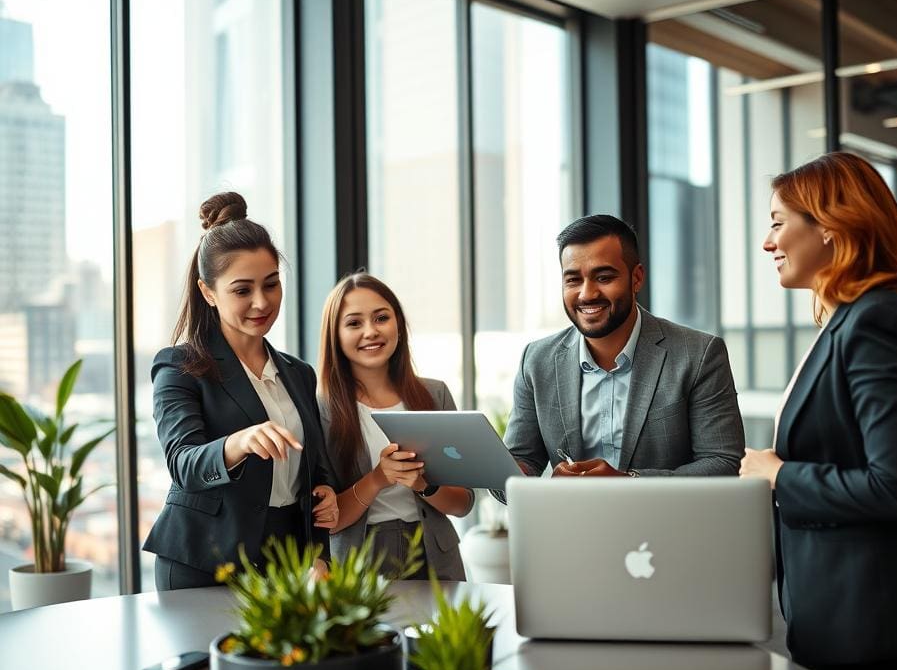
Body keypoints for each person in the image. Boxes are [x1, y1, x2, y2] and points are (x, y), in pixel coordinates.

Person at [740, 152, 897, 670]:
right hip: (842, 608)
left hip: (869, 615)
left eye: (778, 222)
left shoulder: (875, 321)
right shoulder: (845, 320)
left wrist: (777, 475)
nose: (768, 243)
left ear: (831, 228)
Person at [143, 192, 337, 590]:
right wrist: (240, 442)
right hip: (205, 562)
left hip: (284, 559)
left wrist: (326, 497)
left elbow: (312, 468)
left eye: (271, 284)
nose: (261, 302)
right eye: (242, 290)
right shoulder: (179, 366)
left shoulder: (298, 374)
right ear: (209, 292)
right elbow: (184, 464)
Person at [502, 214, 744, 481]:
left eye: (603, 277)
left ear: (636, 278)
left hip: (664, 522)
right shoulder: (537, 361)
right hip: (571, 521)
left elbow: (723, 463)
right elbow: (520, 462)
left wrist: (628, 481)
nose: (586, 294)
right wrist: (503, 471)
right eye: (572, 280)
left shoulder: (699, 354)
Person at [316, 272, 473, 580]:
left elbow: (463, 503)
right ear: (334, 335)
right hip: (358, 563)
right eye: (354, 323)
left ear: (398, 324)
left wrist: (423, 485)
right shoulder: (320, 409)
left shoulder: (435, 394)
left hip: (434, 556)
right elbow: (327, 520)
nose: (371, 332)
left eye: (381, 318)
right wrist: (378, 479)